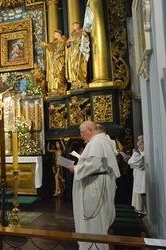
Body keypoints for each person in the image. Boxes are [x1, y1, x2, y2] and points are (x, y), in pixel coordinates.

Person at [68, 121, 120, 250]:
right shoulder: (102, 141)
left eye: (82, 132)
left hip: (95, 186)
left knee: (94, 218)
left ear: (90, 130)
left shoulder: (96, 142)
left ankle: (95, 247)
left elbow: (94, 164)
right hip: (97, 182)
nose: (81, 136)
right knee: (96, 219)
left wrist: (77, 169)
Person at [37, 30, 67, 95]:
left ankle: (62, 88)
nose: (54, 36)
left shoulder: (63, 41)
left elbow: (67, 51)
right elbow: (48, 45)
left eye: (55, 34)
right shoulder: (54, 43)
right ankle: (57, 88)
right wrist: (41, 42)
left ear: (58, 34)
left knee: (60, 73)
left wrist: (60, 54)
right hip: (54, 61)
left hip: (60, 60)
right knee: (55, 74)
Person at [66, 22, 89, 90]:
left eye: (75, 25)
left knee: (77, 66)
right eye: (73, 25)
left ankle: (82, 82)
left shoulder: (82, 32)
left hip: (79, 51)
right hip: (72, 52)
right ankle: (75, 83)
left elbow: (86, 41)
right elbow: (67, 44)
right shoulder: (72, 34)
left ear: (78, 25)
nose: (74, 26)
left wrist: (85, 36)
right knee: (72, 67)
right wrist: (69, 41)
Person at [128, 139, 145, 216]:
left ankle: (143, 212)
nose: (138, 148)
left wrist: (134, 154)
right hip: (139, 178)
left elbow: (132, 162)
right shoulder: (141, 155)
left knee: (143, 197)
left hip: (143, 179)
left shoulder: (144, 155)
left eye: (139, 146)